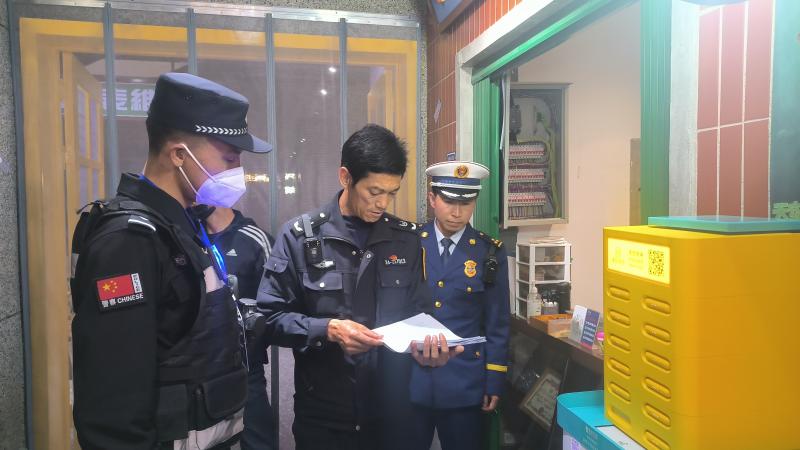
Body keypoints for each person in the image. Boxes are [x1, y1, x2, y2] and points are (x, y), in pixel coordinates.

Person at [70, 72, 271, 450]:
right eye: (229, 158)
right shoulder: (129, 243)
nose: (236, 172)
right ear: (179, 154)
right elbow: (114, 409)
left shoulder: (184, 227)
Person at [256, 124, 462, 450]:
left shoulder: (406, 240)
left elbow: (419, 314)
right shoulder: (300, 238)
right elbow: (268, 319)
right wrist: (328, 329)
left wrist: (429, 352)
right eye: (374, 191)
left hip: (392, 416)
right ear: (345, 177)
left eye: (392, 193)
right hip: (324, 416)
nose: (383, 203)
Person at [410, 161, 510, 450]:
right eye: (449, 202)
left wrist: (494, 378)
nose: (457, 212)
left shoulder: (488, 252)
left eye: (466, 203)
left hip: (464, 381)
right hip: (412, 377)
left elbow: (497, 322)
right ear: (432, 199)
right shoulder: (410, 243)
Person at [194, 205, 276, 450]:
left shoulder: (254, 239)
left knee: (258, 439)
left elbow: (277, 301)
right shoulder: (187, 234)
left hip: (244, 365)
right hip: (198, 367)